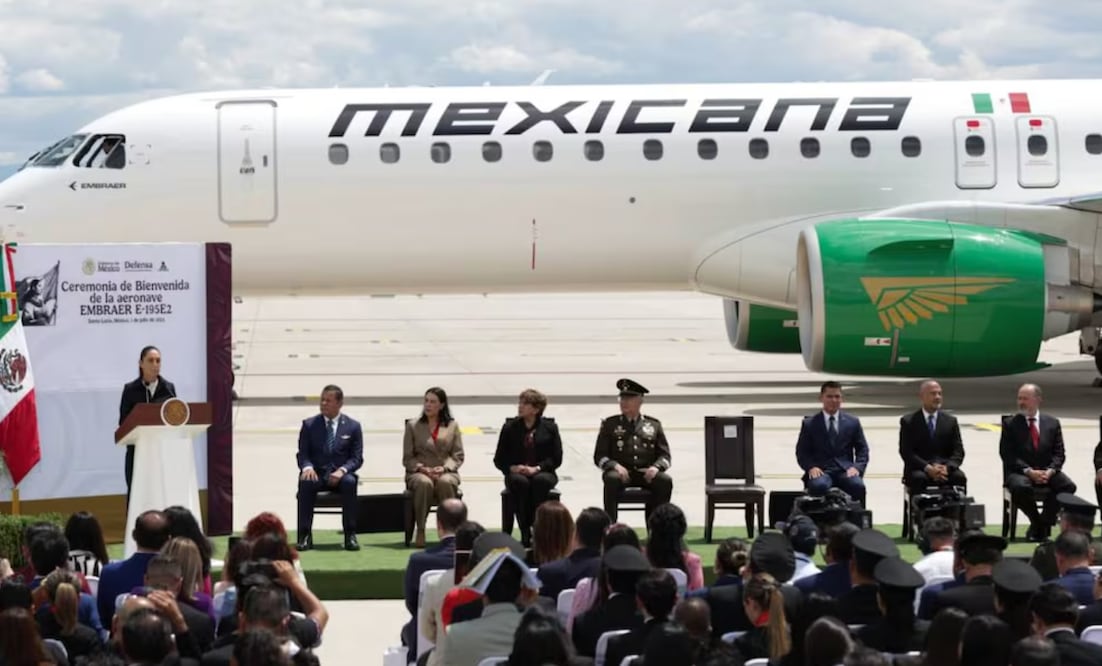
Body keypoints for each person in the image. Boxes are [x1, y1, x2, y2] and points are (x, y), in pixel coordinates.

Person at [999, 383, 1077, 541]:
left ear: (1038, 400)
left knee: (1068, 486)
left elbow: (1059, 453)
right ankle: (1038, 523)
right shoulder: (1010, 424)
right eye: (1019, 398)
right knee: (1020, 487)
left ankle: (1043, 522)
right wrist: (1029, 471)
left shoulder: (1052, 423)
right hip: (1020, 472)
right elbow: (1007, 454)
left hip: (1047, 471)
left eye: (1025, 399)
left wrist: (1050, 471)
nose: (1021, 402)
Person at [592, 378, 672, 523]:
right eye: (622, 398)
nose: (624, 402)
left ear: (640, 400)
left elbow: (665, 456)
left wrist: (656, 467)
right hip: (620, 473)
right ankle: (611, 526)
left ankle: (658, 527)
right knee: (611, 479)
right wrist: (614, 466)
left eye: (629, 398)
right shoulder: (610, 424)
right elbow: (599, 456)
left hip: (645, 473)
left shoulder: (653, 424)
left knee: (665, 481)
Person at [295, 384, 364, 551]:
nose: (323, 404)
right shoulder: (310, 425)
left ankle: (350, 534)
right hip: (317, 473)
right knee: (306, 482)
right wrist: (307, 467)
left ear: (339, 403)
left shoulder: (353, 426)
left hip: (340, 474)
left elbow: (357, 458)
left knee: (349, 482)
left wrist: (342, 470)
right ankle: (304, 535)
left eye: (328, 400)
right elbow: (302, 454)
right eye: (322, 400)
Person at [493, 389, 563, 547]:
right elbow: (499, 459)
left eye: (525, 403)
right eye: (520, 402)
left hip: (542, 472)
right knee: (520, 483)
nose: (520, 406)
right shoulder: (510, 428)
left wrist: (537, 468)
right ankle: (525, 530)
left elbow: (556, 458)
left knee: (540, 482)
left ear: (536, 409)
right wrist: (512, 468)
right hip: (517, 473)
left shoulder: (550, 428)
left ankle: (538, 528)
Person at [403, 386, 464, 548]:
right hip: (419, 472)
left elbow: (457, 455)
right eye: (426, 401)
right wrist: (421, 468)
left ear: (442, 405)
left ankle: (449, 532)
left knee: (446, 482)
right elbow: (407, 458)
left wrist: (444, 468)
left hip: (445, 471)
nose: (428, 405)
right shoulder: (413, 426)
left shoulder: (452, 426)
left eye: (433, 402)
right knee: (424, 483)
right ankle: (421, 529)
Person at [117, 345, 177, 507]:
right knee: (136, 495)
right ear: (141, 363)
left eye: (158, 361)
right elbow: (123, 423)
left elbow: (175, 420)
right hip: (137, 452)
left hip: (161, 453)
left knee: (162, 494)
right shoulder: (130, 390)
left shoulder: (168, 388)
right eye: (150, 360)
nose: (155, 364)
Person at [795, 381, 869, 504]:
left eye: (837, 397)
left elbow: (863, 449)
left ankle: (857, 520)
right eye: (829, 396)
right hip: (822, 470)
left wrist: (857, 467)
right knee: (819, 486)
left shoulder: (852, 422)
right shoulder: (810, 424)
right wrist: (811, 467)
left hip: (845, 470)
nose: (833, 400)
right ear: (821, 398)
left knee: (857, 485)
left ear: (842, 399)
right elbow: (802, 452)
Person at [899, 380, 966, 492]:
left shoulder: (950, 421)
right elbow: (906, 452)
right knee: (919, 479)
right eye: (933, 393)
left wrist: (947, 468)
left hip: (945, 467)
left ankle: (957, 510)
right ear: (921, 396)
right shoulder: (909, 421)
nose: (937, 397)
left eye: (939, 393)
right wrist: (928, 468)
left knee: (959, 477)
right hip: (920, 468)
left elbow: (958, 451)